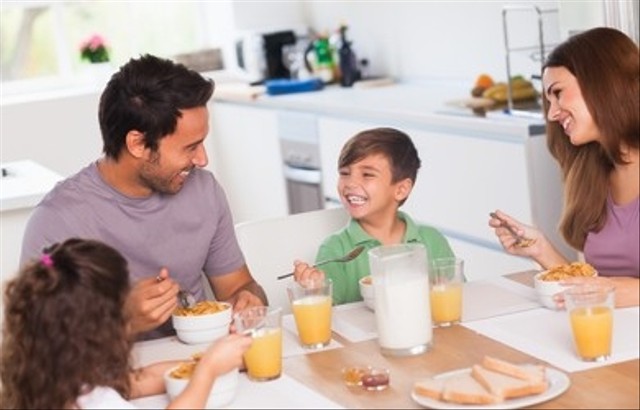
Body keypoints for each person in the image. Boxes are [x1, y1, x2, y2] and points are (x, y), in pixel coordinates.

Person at [19, 54, 268, 340]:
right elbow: (36, 346)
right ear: (137, 144)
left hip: (206, 364)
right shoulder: (58, 221)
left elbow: (240, 286)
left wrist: (249, 300)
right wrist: (123, 320)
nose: (203, 159)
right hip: (113, 380)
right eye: (190, 147)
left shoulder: (204, 192)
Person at [1, 238, 252, 409]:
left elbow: (143, 379)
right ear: (104, 328)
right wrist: (207, 371)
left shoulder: (46, 381)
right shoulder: (97, 403)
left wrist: (219, 361)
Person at [489, 27, 639, 308]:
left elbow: (605, 289)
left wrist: (611, 291)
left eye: (558, 93)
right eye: (549, 100)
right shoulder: (593, 173)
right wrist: (541, 249)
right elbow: (592, 287)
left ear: (602, 84)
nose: (552, 113)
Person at [294, 127, 455, 304]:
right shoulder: (335, 249)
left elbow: (457, 296)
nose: (350, 183)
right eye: (345, 173)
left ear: (401, 189)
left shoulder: (431, 241)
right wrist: (315, 290)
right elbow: (329, 318)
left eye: (367, 175)